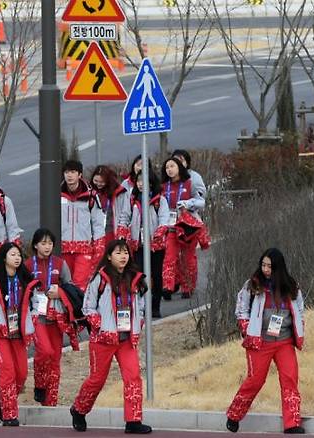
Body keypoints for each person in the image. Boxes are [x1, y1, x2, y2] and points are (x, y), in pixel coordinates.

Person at [70, 239, 152, 434]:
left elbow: (141, 305)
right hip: (103, 340)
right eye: (118, 253)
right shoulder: (100, 278)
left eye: (125, 253)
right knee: (97, 379)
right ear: (108, 256)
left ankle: (133, 421)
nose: (123, 256)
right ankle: (79, 410)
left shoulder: (136, 278)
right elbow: (87, 307)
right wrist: (101, 326)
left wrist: (138, 323)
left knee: (133, 378)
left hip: (126, 340)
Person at [226, 248, 305, 435]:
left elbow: (300, 310)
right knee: (255, 380)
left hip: (284, 342)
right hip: (259, 342)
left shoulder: (292, 287)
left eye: (269, 266)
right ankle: (234, 414)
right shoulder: (252, 285)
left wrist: (299, 329)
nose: (265, 269)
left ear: (278, 268)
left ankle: (292, 423)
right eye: (263, 265)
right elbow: (241, 308)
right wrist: (247, 329)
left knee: (290, 379)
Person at [0, 242, 39, 427]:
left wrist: (33, 318)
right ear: (4, 257)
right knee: (8, 372)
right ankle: (9, 414)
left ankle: (3, 397)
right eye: (13, 254)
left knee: (21, 374)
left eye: (19, 255)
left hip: (19, 333)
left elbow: (36, 302)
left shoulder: (26, 279)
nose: (17, 258)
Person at [26, 228, 83, 407]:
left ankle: (51, 401)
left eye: (50, 243)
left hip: (56, 316)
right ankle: (40, 385)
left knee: (55, 359)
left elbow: (71, 287)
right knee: (45, 351)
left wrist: (59, 292)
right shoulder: (27, 265)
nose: (47, 247)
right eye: (43, 243)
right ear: (35, 245)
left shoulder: (60, 264)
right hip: (37, 316)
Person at [160, 157, 210, 299]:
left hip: (188, 226)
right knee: (169, 256)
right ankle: (167, 287)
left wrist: (188, 203)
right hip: (170, 225)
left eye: (172, 166)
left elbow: (201, 202)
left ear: (179, 168)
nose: (169, 170)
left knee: (188, 257)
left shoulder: (190, 183)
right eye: (167, 167)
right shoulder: (163, 186)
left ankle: (187, 287)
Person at [127, 168, 169, 317]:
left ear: (151, 183)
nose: (140, 184)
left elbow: (165, 219)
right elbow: (125, 217)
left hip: (156, 246)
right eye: (138, 181)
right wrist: (122, 232)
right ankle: (141, 305)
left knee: (156, 275)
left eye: (143, 181)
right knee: (139, 275)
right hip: (138, 245)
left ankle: (155, 306)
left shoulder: (160, 200)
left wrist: (158, 234)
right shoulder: (132, 199)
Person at [61, 160, 105, 290]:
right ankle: (68, 310)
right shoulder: (57, 194)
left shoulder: (91, 196)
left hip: (84, 248)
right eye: (67, 172)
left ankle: (80, 310)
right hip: (63, 247)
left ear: (80, 175)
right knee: (65, 284)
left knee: (81, 284)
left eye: (73, 172)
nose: (69, 175)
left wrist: (99, 246)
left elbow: (97, 223)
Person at [90, 165, 131, 248]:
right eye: (96, 181)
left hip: (112, 231)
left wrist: (121, 231)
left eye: (102, 182)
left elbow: (125, 213)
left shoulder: (120, 193)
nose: (98, 184)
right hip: (95, 234)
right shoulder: (90, 193)